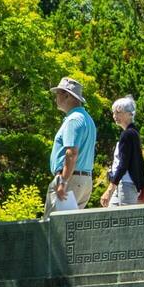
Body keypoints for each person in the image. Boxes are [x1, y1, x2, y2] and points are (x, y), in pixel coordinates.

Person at [44, 77, 97, 212]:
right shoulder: (86, 118)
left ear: (67, 95)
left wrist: (63, 181)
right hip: (85, 180)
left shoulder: (73, 120)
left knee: (53, 227)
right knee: (70, 229)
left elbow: (71, 153)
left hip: (70, 178)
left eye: (58, 93)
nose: (56, 97)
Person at [101, 96, 144, 207]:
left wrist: (109, 189)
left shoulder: (127, 134)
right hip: (123, 184)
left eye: (118, 112)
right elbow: (140, 162)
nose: (115, 116)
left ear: (130, 114)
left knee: (125, 220)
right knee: (113, 216)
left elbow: (123, 164)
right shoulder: (134, 133)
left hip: (126, 184)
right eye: (114, 112)